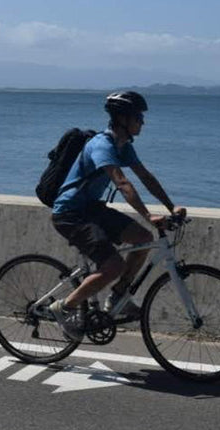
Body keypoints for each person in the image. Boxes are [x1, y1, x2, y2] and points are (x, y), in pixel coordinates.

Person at [48, 91, 186, 340]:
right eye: (138, 117)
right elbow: (122, 183)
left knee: (143, 238)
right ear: (122, 119)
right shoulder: (102, 145)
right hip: (70, 213)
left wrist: (170, 207)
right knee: (113, 265)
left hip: (92, 208)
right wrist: (147, 214)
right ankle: (63, 307)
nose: (142, 122)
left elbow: (145, 177)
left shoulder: (123, 145)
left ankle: (119, 295)